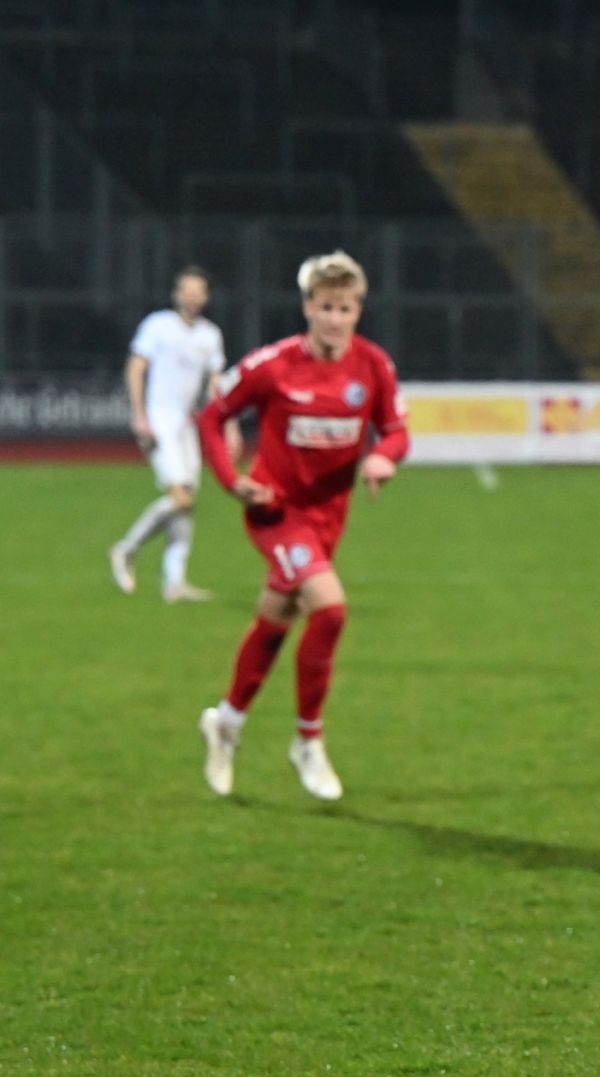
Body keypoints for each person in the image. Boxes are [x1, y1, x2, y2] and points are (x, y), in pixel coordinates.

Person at [194, 250, 410, 802]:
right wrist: (231, 481)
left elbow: (395, 431)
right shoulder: (273, 365)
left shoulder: (373, 366)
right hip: (276, 511)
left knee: (277, 619)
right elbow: (212, 416)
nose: (335, 318)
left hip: (328, 519)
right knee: (330, 609)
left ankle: (226, 722)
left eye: (345, 308)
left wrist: (382, 457)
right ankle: (308, 741)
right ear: (307, 307)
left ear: (358, 310)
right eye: (325, 307)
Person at [109, 266, 227, 602]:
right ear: (176, 294)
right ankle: (126, 549)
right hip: (159, 419)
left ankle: (174, 583)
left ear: (206, 297)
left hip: (186, 425)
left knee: (186, 503)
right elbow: (136, 368)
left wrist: (227, 424)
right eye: (186, 290)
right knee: (180, 498)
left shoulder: (210, 335)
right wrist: (139, 416)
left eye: (198, 291)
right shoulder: (157, 325)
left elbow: (215, 383)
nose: (191, 296)